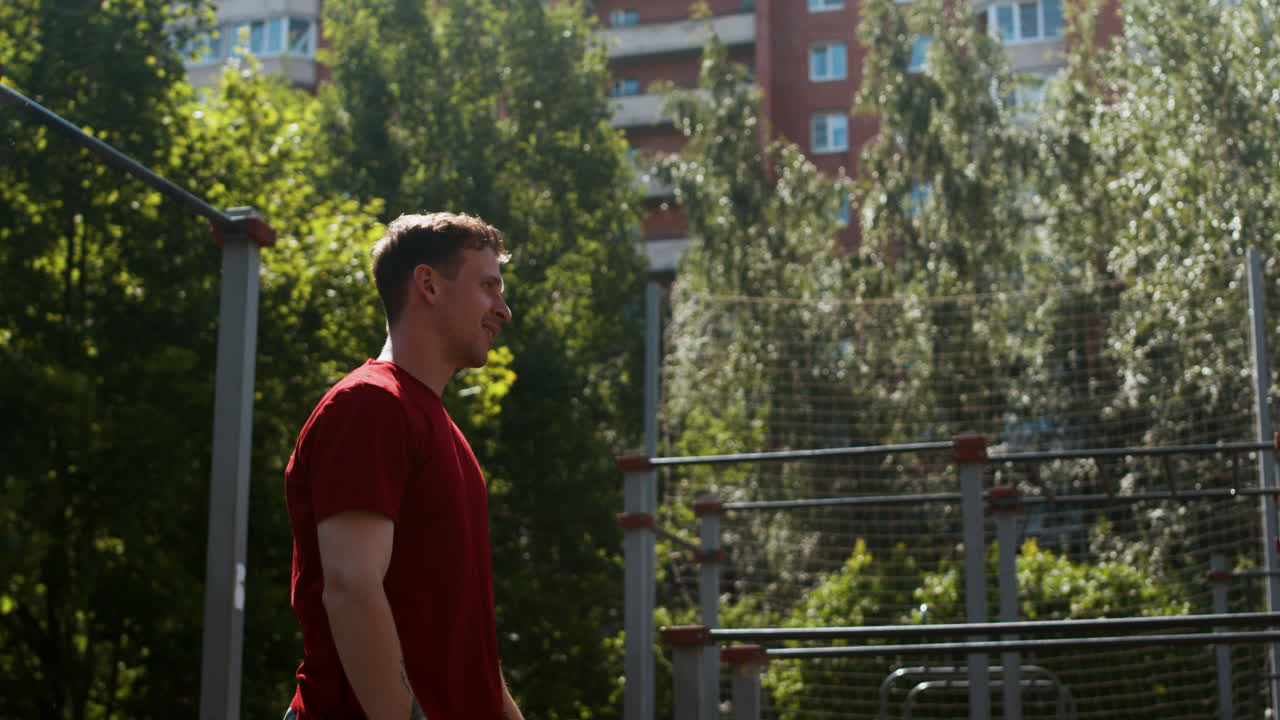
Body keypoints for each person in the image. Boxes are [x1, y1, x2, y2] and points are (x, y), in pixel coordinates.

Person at [283, 212, 524, 720]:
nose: (503, 310)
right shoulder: (369, 405)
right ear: (428, 285)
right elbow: (351, 587)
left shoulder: (443, 432)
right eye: (488, 287)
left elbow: (461, 635)